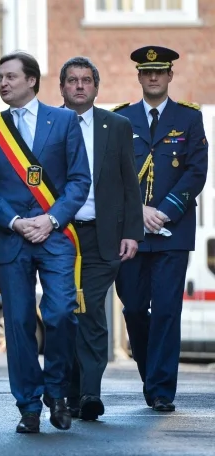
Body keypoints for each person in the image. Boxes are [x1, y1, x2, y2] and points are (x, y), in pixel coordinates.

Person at [0, 51, 91, 433]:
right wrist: (16, 220)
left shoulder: (66, 121)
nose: (3, 83)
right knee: (19, 325)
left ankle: (56, 392)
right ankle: (29, 406)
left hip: (55, 236)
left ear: (32, 81)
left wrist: (51, 218)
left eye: (10, 77)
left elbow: (79, 180)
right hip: (11, 238)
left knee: (60, 314)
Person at [114, 46, 208, 413]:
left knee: (167, 310)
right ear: (139, 76)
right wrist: (139, 213)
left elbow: (196, 171)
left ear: (170, 76)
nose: (153, 77)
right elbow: (113, 174)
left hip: (173, 232)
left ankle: (161, 391)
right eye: (146, 72)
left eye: (160, 71)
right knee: (135, 309)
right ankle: (150, 374)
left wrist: (165, 211)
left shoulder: (189, 119)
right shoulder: (120, 120)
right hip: (132, 233)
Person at [59, 57, 143, 420]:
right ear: (62, 87)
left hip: (101, 236)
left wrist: (132, 232)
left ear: (96, 86)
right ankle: (69, 391)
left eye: (86, 80)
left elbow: (130, 181)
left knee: (91, 310)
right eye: (72, 80)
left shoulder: (117, 125)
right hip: (59, 236)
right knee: (63, 312)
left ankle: (89, 393)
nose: (80, 86)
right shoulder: (48, 124)